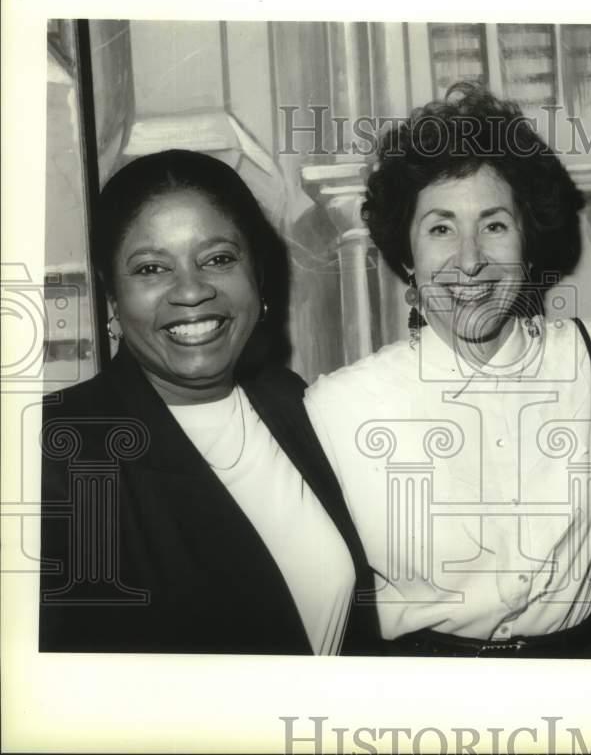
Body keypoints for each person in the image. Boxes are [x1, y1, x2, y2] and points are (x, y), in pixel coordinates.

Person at [305, 83, 591, 656]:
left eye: (494, 224)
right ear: (407, 256)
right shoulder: (338, 406)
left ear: (527, 240)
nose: (469, 260)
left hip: (583, 677)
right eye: (440, 228)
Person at [39, 149, 379, 655]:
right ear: (112, 300)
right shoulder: (51, 453)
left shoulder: (293, 404)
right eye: (152, 268)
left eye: (218, 259)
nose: (192, 291)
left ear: (257, 279)